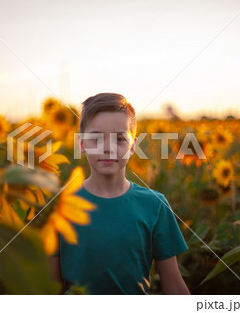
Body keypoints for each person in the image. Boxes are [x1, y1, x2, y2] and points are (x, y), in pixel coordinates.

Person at [50, 93, 190, 295]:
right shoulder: (59, 205)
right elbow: (48, 290)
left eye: (120, 139)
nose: (108, 148)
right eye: (96, 138)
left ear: (132, 146)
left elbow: (174, 287)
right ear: (81, 145)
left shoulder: (155, 205)